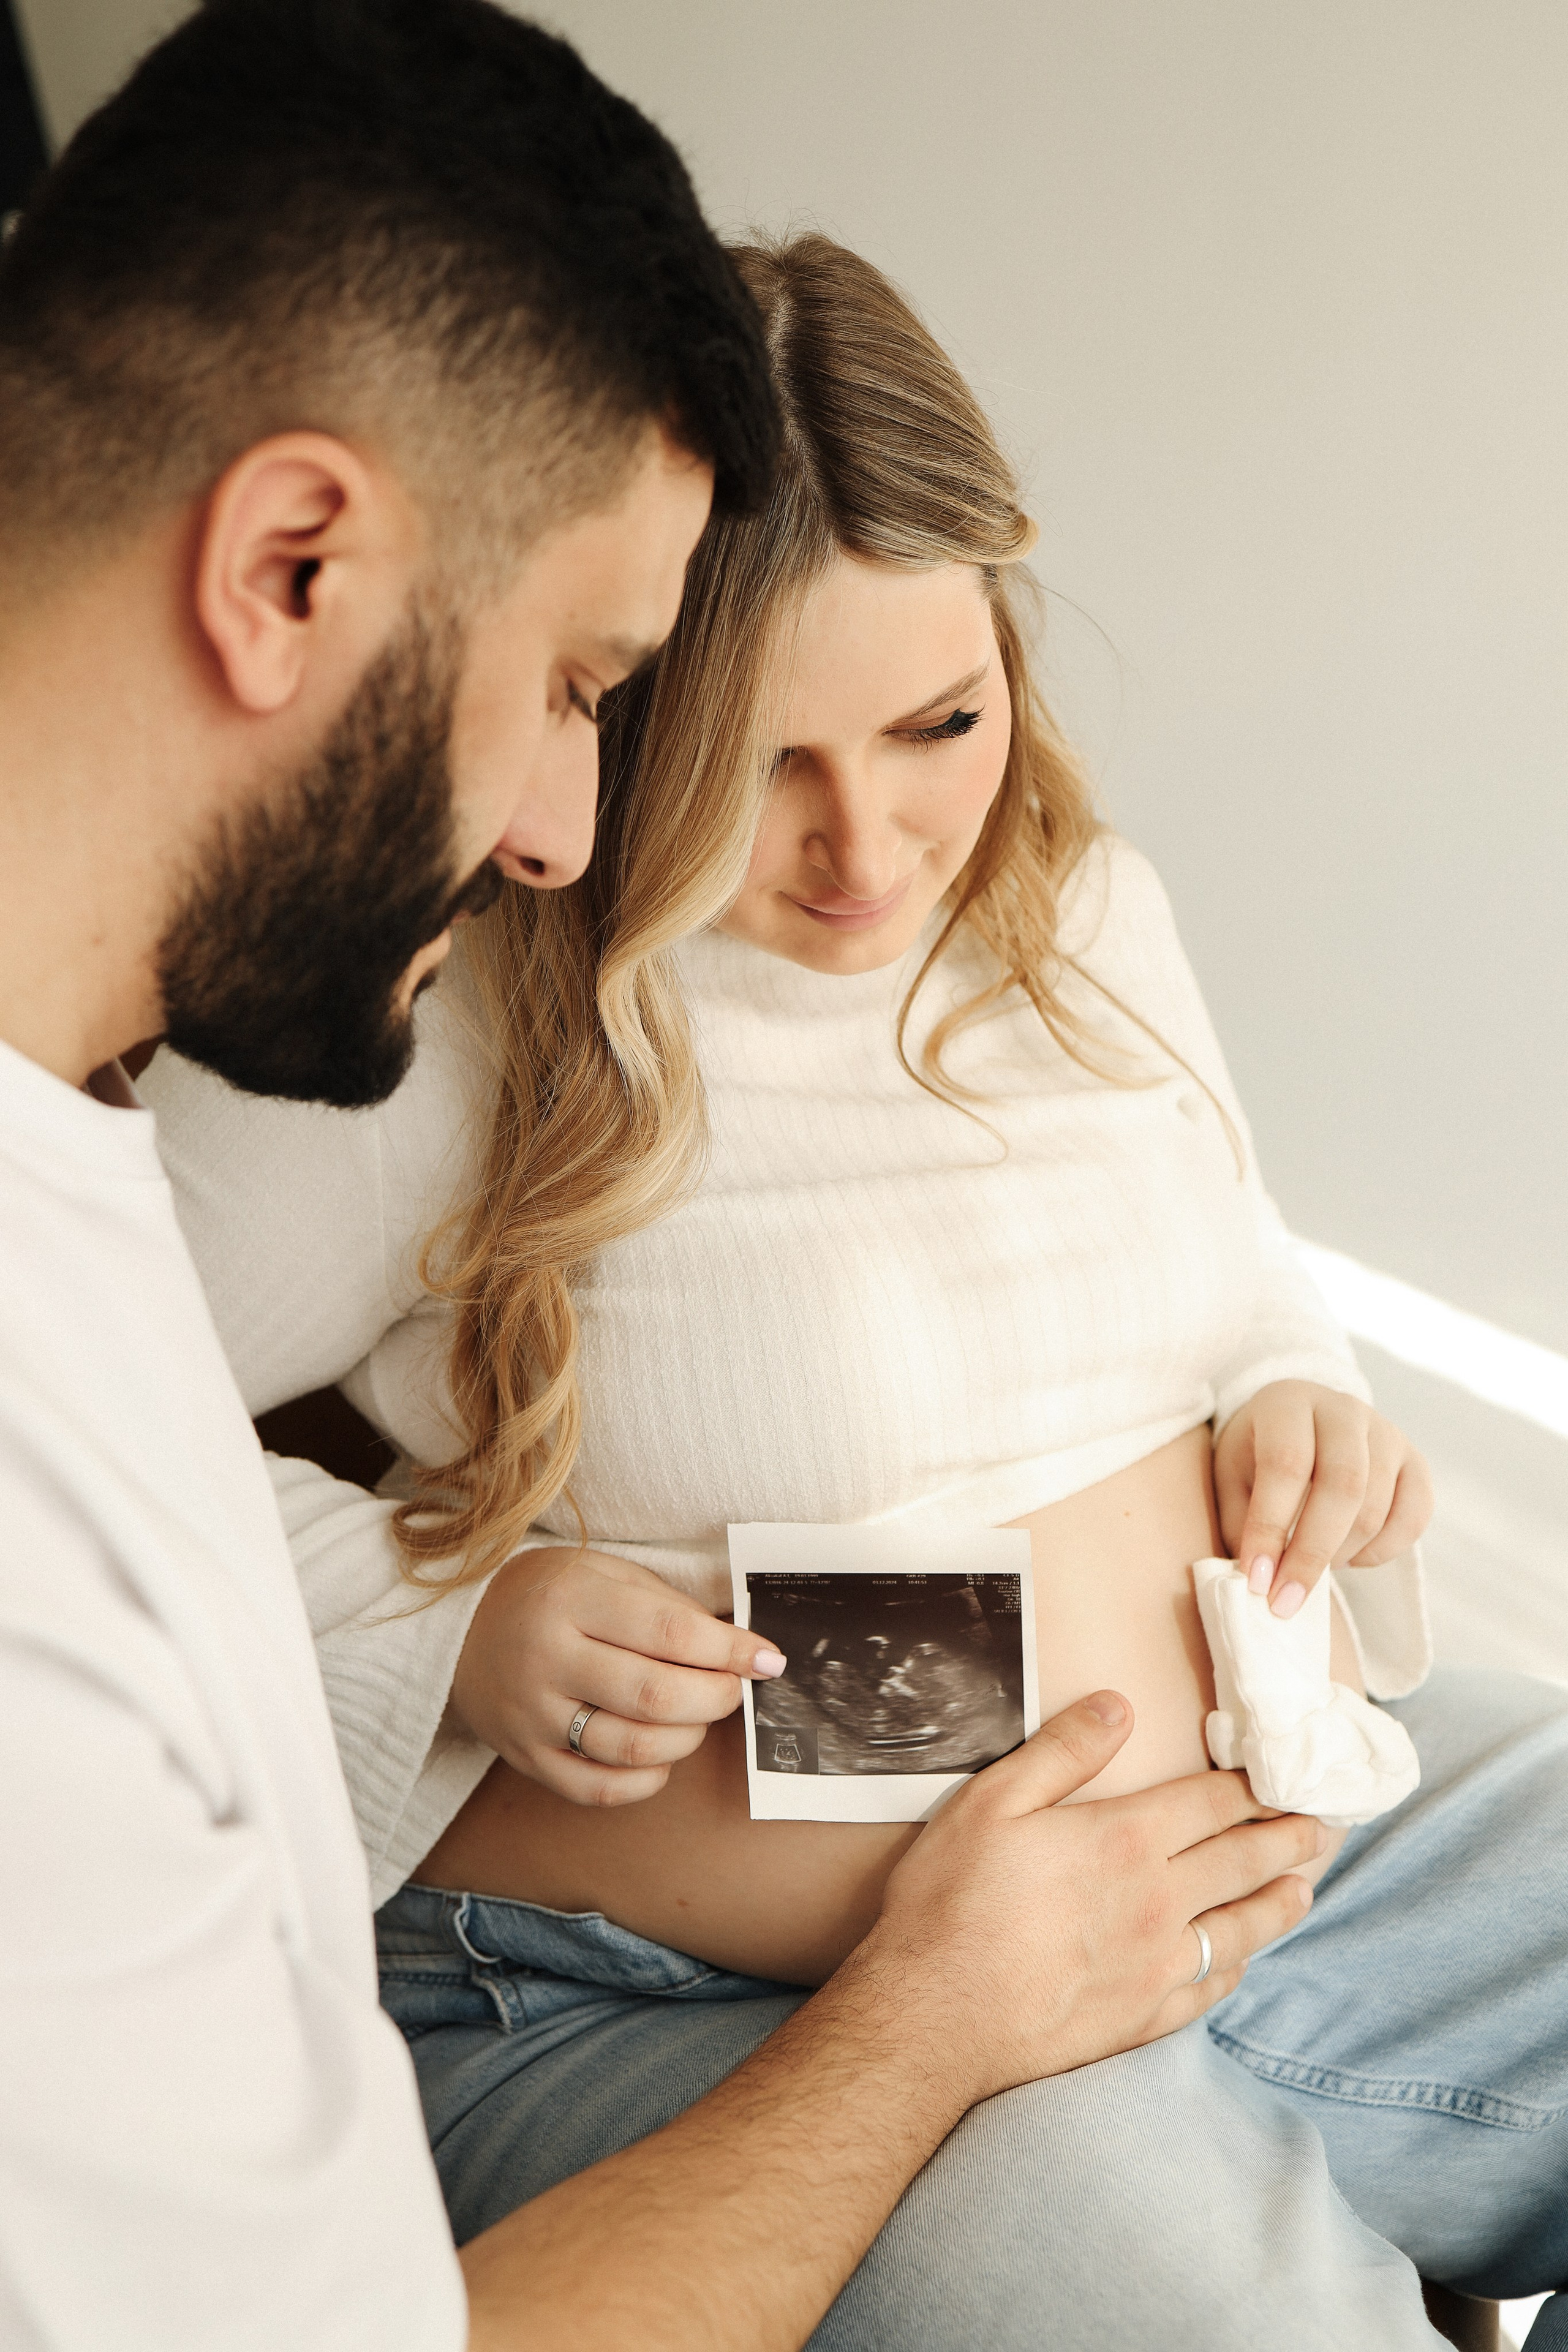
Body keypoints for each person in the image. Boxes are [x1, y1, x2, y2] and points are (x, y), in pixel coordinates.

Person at [0, 10, 1329, 2350]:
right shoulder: (297, 1158)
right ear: (292, 564)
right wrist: (920, 2015)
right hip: (696, 1988)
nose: (561, 834)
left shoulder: (76, 1185)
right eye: (596, 686)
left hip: (1157, 1882)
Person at [145, 237, 1568, 2346]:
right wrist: (447, 1622)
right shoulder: (452, 1011)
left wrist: (1294, 1393)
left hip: (1266, 1849)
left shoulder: (1083, 910)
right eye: (754, 766)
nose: (870, 852)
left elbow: (1228, 1261)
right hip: (708, 2000)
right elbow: (60, 1431)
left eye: (936, 723)